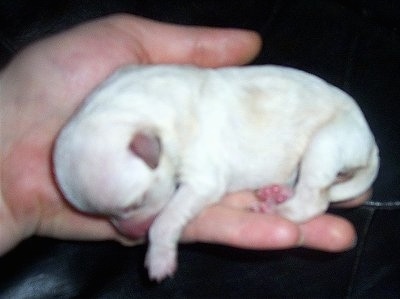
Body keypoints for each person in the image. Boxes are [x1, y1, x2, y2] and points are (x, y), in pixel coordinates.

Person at [0, 14, 369, 257]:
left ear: (148, 148)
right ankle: (292, 187)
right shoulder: (134, 114)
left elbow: (206, 183)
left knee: (324, 148)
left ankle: (305, 201)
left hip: (337, 127)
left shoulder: (187, 114)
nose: (129, 227)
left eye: (132, 204)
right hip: (290, 150)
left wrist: (164, 234)